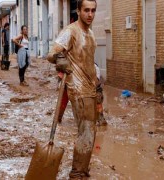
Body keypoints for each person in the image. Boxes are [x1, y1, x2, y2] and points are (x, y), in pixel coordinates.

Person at [47, 0, 98, 178]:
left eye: (93, 10)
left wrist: (97, 84)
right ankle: (78, 174)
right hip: (77, 88)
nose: (90, 14)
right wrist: (60, 60)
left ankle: (82, 169)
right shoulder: (71, 31)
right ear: (78, 11)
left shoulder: (90, 33)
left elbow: (89, 62)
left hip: (90, 88)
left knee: (90, 131)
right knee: (86, 131)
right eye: (86, 10)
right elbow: (52, 53)